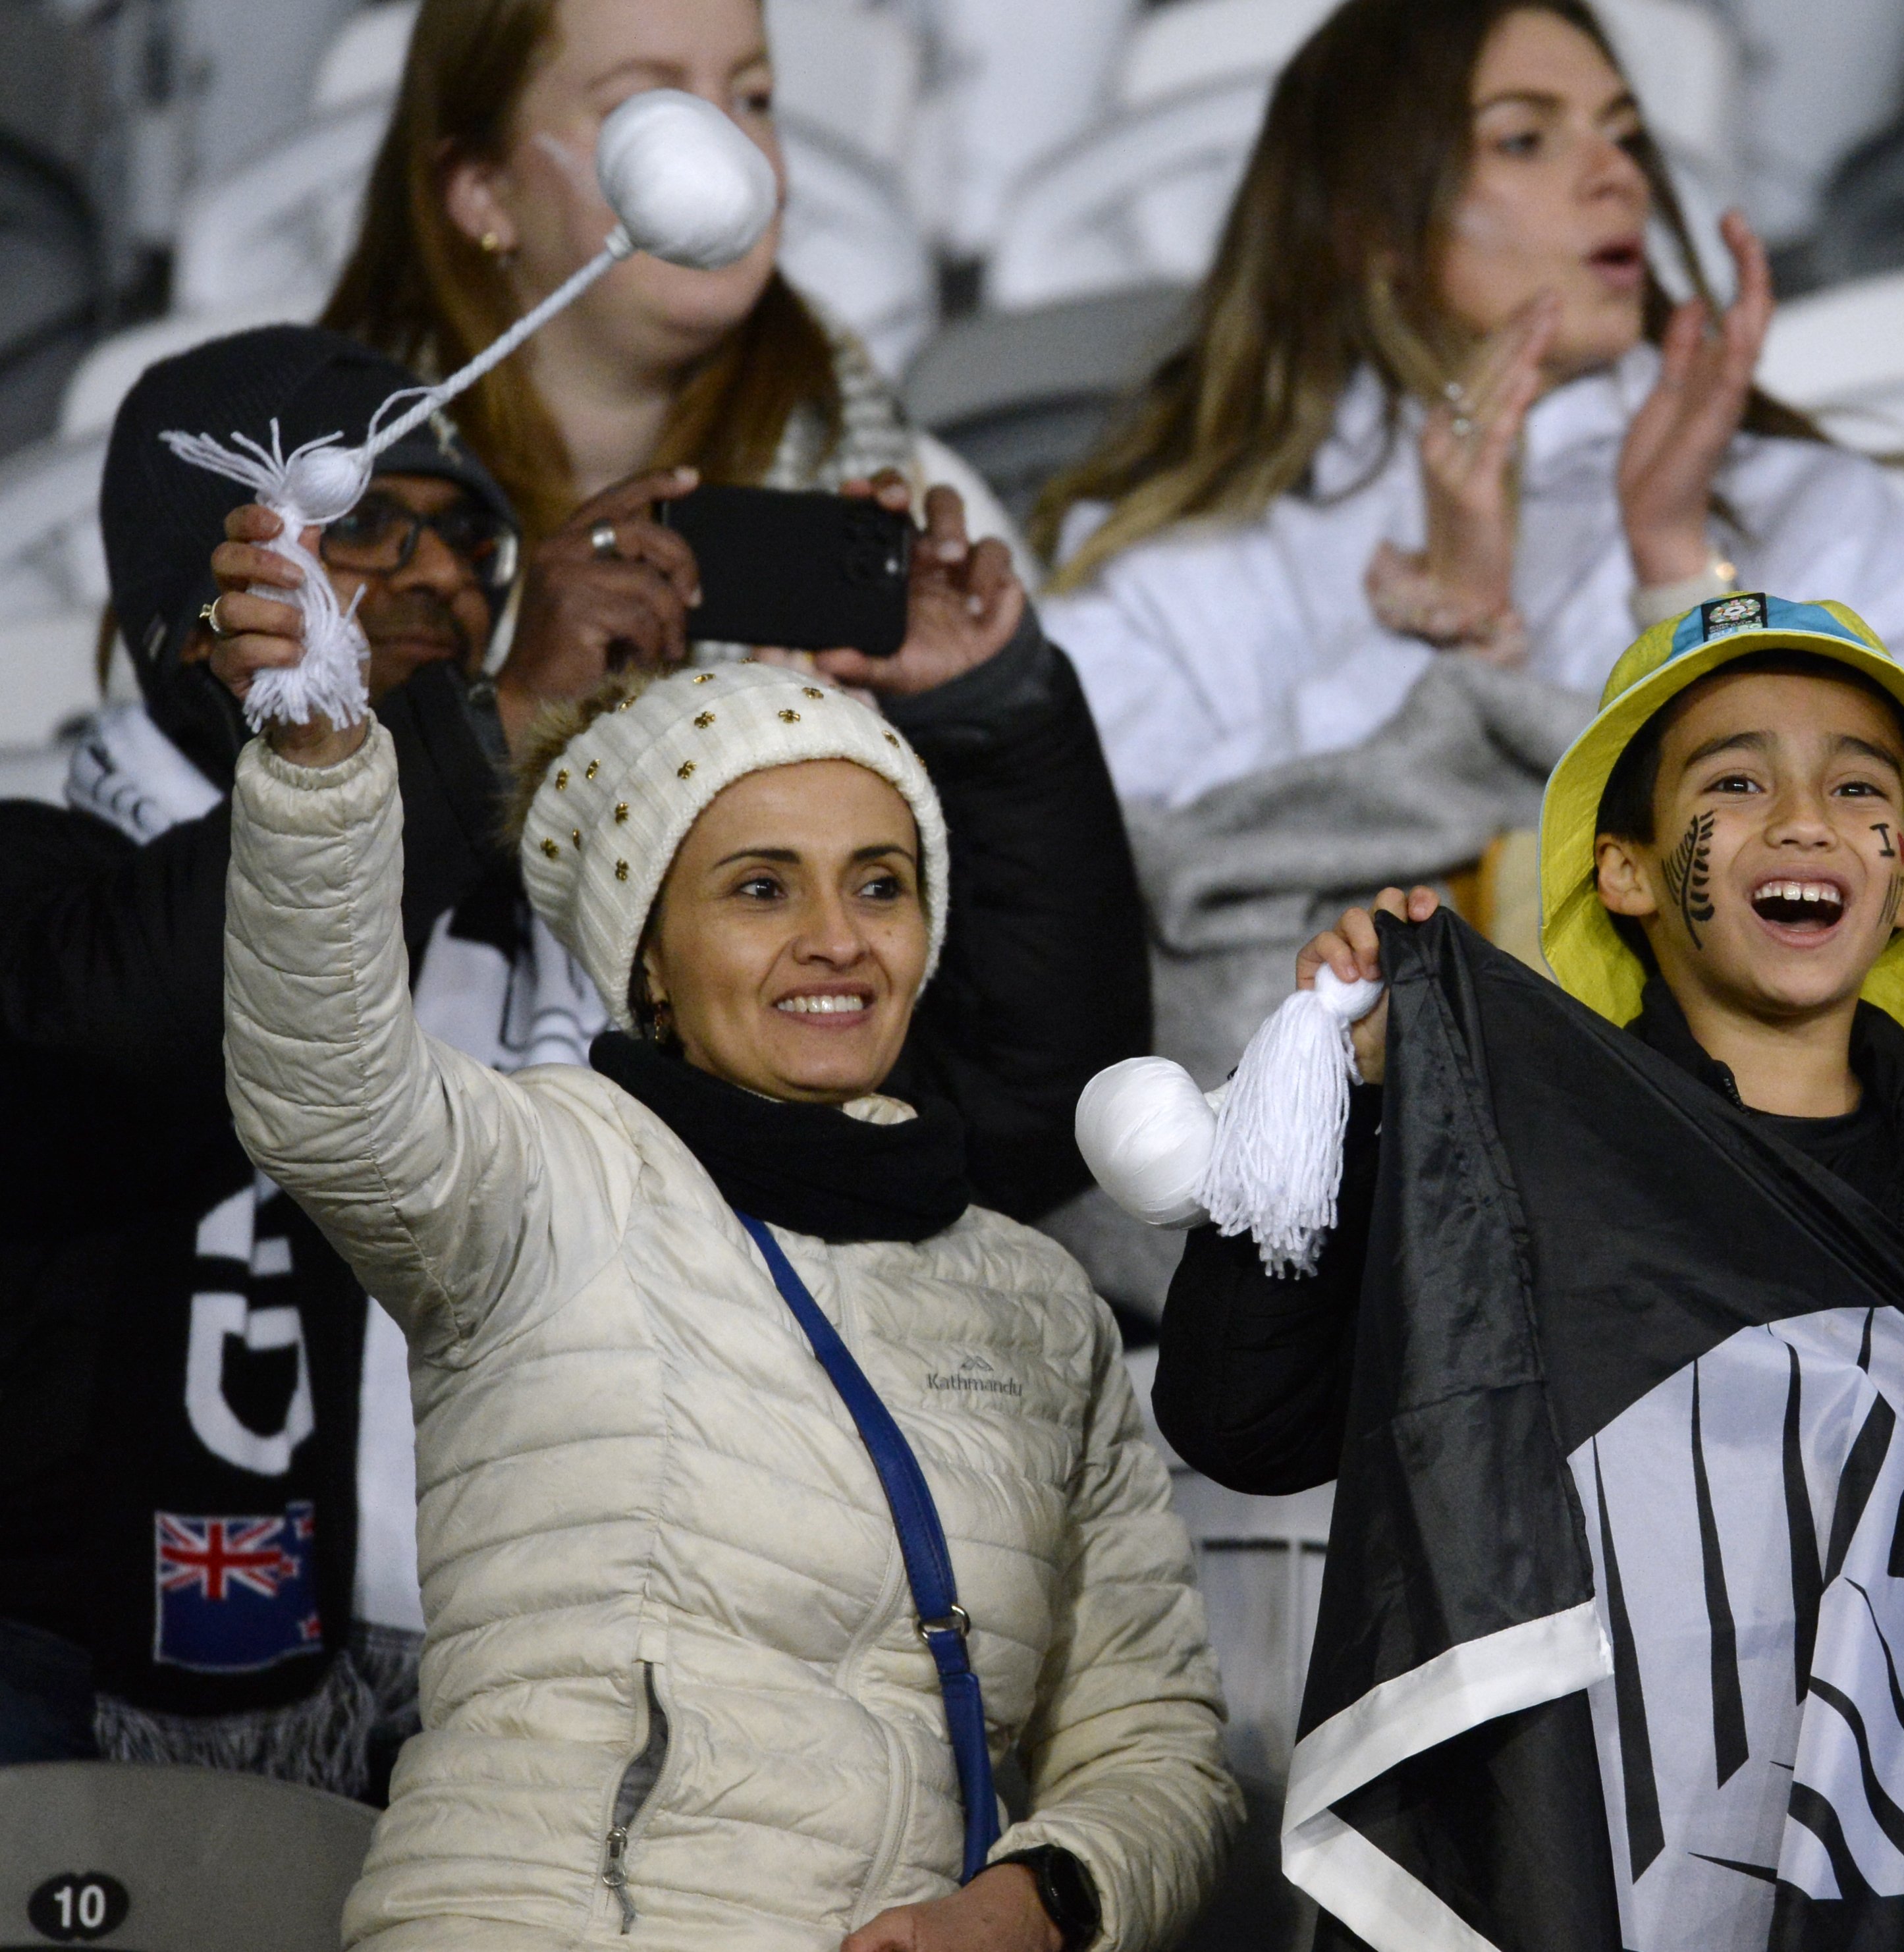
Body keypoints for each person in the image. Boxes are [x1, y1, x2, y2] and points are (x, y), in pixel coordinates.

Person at [1149, 593, 1904, 1940]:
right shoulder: (1504, 1163)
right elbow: (1237, 1423)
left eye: (1857, 786)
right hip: (1588, 1839)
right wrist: (1363, 1111)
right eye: (1735, 780)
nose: (1800, 819)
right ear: (1628, 869)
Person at [215, 651, 1239, 1948]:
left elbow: (1155, 1746)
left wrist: (1037, 1903)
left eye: (883, 883)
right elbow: (327, 1095)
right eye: (762, 889)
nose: (837, 939)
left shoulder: (1038, 1301)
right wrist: (320, 784)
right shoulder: (545, 1176)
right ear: (649, 954)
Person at [0, 325, 678, 1783]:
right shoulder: (38, 866)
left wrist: (994, 719)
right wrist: (482, 728)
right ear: (208, 583)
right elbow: (114, 1036)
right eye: (372, 521)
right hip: (71, 1692)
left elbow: (984, 1111)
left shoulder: (559, 896)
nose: (447, 577)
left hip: (510, 1677)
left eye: (475, 537)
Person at [1032, 0, 1904, 810]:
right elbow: (1147, 892)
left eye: (1624, 134)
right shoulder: (1173, 562)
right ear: (1372, 229)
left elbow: (1858, 871)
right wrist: (1444, 637)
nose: (1618, 177)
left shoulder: (1818, 508)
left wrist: (1678, 570)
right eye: (1524, 139)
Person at [323, 0, 1026, 558]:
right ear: (483, 191)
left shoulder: (905, 495)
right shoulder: (336, 503)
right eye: (645, 109)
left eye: (752, 99)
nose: (728, 156)